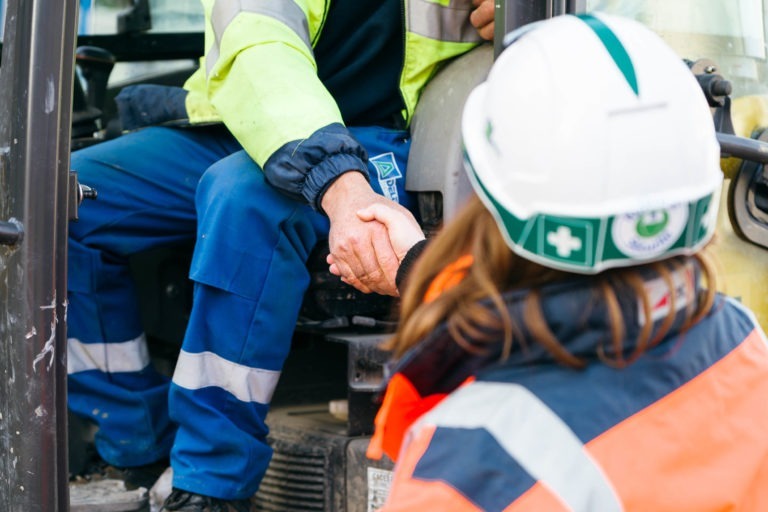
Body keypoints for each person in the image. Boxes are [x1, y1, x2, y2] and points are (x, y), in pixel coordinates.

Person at [66, 0, 494, 510]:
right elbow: (259, 48)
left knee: (244, 198)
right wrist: (334, 178)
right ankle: (137, 447)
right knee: (58, 196)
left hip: (395, 134)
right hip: (253, 117)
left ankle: (211, 483)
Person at [361, 12, 768, 511]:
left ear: (485, 194)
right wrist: (416, 267)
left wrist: (420, 266)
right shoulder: (742, 342)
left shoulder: (470, 464)